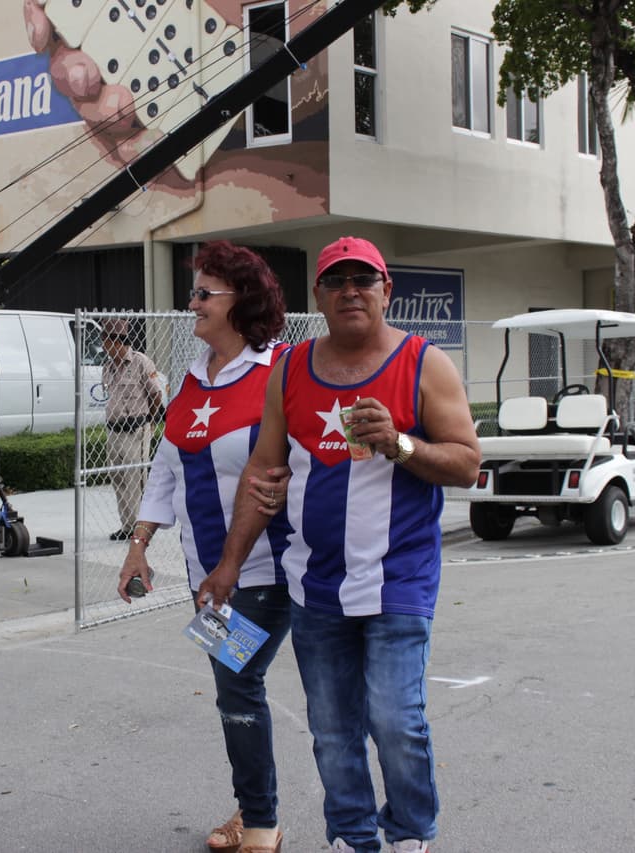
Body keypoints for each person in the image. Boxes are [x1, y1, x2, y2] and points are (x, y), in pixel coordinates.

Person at [198, 237, 482, 853]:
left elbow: (466, 465)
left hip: (398, 581)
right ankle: (352, 839)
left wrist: (401, 444)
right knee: (331, 729)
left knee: (395, 720)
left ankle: (409, 835)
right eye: (336, 280)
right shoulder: (292, 369)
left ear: (387, 289)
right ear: (319, 296)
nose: (351, 289)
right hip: (315, 584)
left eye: (365, 279)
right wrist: (227, 568)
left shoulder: (424, 363)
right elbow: (263, 475)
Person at [118, 241, 294, 853]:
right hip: (207, 579)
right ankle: (251, 808)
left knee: (238, 682)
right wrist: (139, 546)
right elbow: (165, 471)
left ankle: (261, 819)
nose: (190, 303)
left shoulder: (279, 374)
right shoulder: (191, 378)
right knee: (232, 685)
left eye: (202, 293)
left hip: (269, 570)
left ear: (240, 303)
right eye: (193, 292)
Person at [101, 316, 164, 541]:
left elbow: (156, 394)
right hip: (114, 430)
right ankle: (126, 525)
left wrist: (151, 420)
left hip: (135, 429)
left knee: (135, 480)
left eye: (106, 342)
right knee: (117, 477)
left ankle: (139, 528)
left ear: (116, 342)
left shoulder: (140, 362)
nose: (105, 348)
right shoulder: (108, 367)